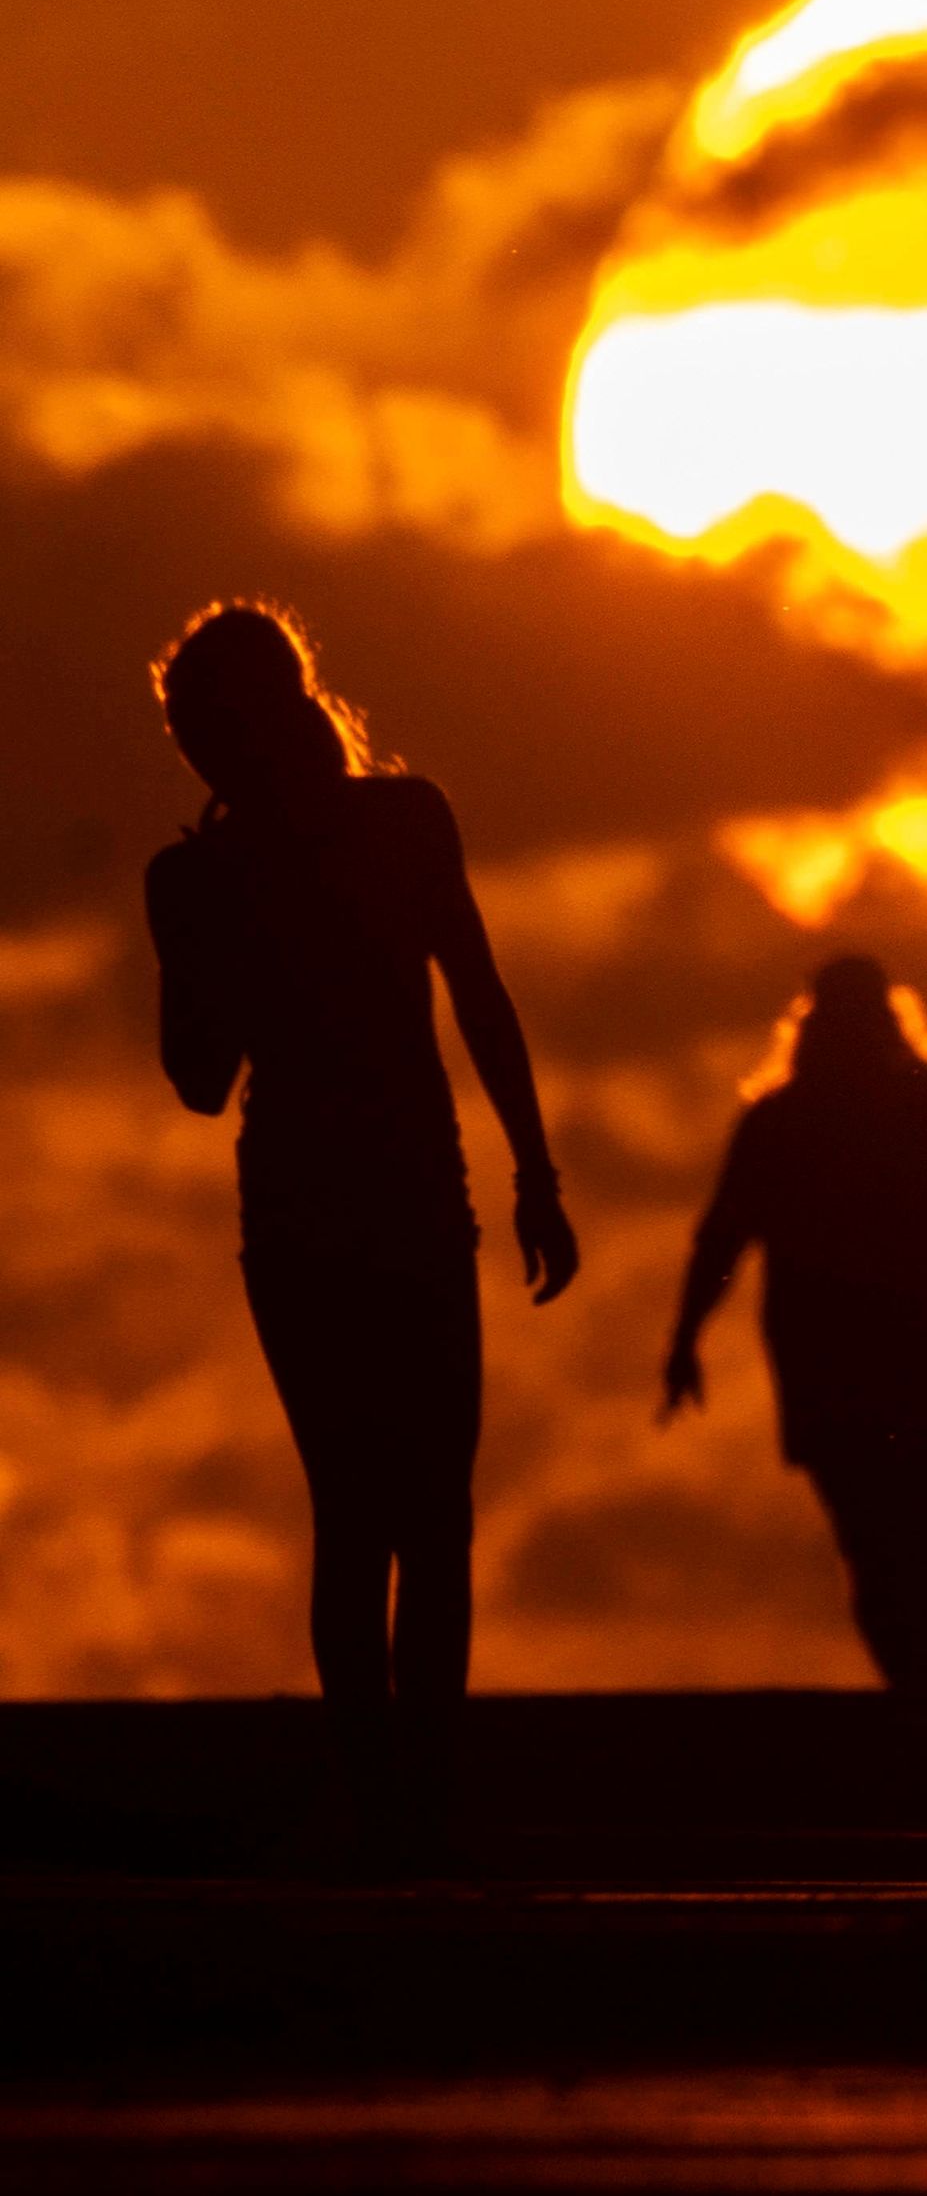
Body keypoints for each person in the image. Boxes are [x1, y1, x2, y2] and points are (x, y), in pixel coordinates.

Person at [143, 602, 580, 1842]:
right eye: (187, 728)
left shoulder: (357, 832)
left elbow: (473, 996)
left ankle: (403, 1792)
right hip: (351, 1201)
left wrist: (537, 1173)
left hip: (359, 1201)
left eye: (202, 723)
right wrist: (536, 1176)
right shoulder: (238, 866)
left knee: (395, 1510)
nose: (196, 747)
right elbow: (203, 1077)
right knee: (394, 1510)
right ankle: (399, 1797)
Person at [665, 957, 927, 1693]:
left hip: (829, 1348)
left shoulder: (779, 1120)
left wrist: (686, 1340)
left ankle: (913, 1689)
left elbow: (723, 1240)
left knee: (873, 1535)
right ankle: (923, 1688)